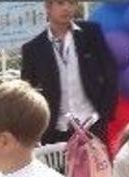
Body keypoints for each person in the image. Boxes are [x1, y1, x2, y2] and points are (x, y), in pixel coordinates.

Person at [20, 0, 117, 143]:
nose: (66, 8)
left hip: (92, 123)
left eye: (71, 3)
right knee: (59, 165)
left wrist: (104, 113)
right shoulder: (33, 48)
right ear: (48, 7)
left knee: (96, 165)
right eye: (60, 3)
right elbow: (28, 90)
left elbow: (110, 72)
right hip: (55, 129)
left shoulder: (91, 33)